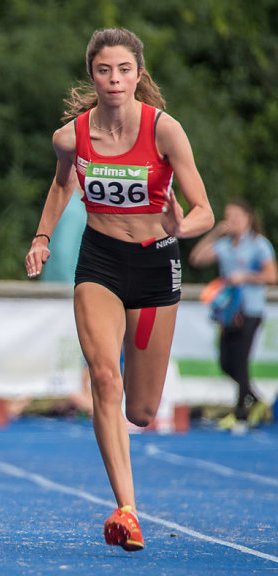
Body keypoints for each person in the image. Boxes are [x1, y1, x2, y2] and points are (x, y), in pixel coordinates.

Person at [24, 28, 213, 552]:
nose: (114, 80)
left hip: (155, 267)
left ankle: (129, 480)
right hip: (101, 262)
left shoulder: (164, 131)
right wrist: (42, 237)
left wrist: (179, 226)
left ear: (138, 75)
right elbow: (63, 183)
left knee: (142, 410)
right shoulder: (71, 137)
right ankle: (127, 510)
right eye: (104, 70)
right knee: (105, 377)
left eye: (124, 70)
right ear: (93, 74)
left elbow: (205, 211)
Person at [190, 199, 276, 431]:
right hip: (228, 313)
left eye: (237, 217)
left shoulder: (259, 245)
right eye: (229, 217)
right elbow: (196, 258)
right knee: (226, 363)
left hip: (250, 309)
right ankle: (257, 401)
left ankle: (241, 413)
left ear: (248, 218)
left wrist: (246, 276)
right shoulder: (226, 244)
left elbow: (272, 276)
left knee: (240, 360)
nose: (233, 222)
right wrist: (216, 232)